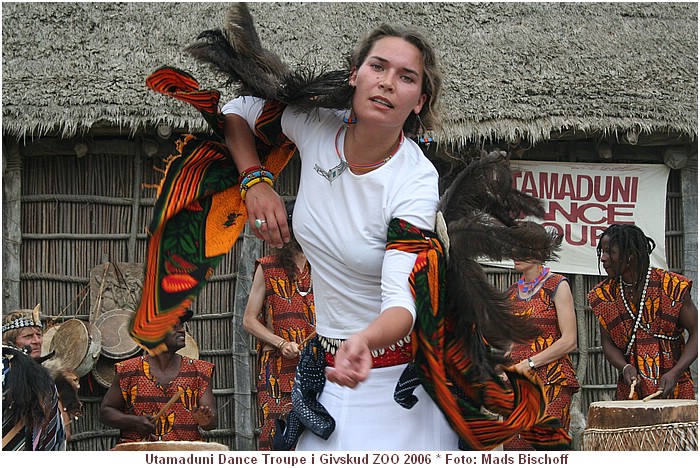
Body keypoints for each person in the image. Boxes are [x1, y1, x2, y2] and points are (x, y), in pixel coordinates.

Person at [223, 23, 460, 450]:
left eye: (406, 77)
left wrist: (365, 340)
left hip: (399, 386)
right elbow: (237, 108)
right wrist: (254, 181)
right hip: (327, 374)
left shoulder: (415, 182)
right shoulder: (316, 125)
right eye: (378, 67)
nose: (387, 83)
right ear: (355, 74)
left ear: (419, 101)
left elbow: (402, 304)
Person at [588, 224, 698, 400]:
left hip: (674, 385)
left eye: (610, 252)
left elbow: (696, 332)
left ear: (630, 254)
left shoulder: (672, 286)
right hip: (632, 389)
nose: (603, 258)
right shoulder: (604, 295)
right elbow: (607, 343)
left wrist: (676, 372)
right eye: (602, 252)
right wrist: (625, 367)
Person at [242, 199, 316, 450]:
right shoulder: (268, 267)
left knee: (319, 432)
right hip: (277, 367)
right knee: (278, 437)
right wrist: (281, 343)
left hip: (318, 363)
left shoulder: (325, 266)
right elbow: (249, 320)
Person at [502, 223, 580, 450]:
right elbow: (511, 343)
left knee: (547, 452)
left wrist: (530, 363)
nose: (513, 253)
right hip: (517, 384)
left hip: (551, 381)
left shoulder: (557, 285)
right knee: (515, 450)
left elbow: (569, 340)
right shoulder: (510, 293)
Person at [99, 309, 218, 444]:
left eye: (181, 326)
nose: (181, 331)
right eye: (174, 326)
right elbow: (105, 412)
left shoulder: (200, 371)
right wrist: (135, 421)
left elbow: (212, 421)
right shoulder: (128, 370)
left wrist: (205, 421)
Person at [2, 343, 66, 450]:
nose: (36, 341)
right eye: (28, 336)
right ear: (11, 340)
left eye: (38, 334)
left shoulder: (44, 380)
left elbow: (52, 426)